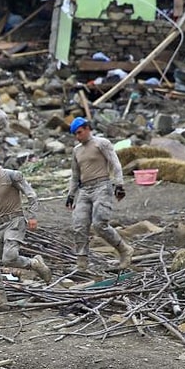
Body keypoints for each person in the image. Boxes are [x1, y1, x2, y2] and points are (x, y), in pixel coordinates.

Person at [0, 149, 52, 310]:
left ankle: (35, 264)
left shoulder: (11, 175)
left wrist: (32, 216)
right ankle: (0, 300)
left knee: (9, 257)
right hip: (0, 225)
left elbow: (31, 195)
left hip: (15, 221)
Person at [65, 117, 133, 273]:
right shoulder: (76, 150)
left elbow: (115, 163)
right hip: (84, 190)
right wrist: (71, 195)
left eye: (80, 132)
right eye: (75, 134)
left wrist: (119, 184)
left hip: (102, 186)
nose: (78, 136)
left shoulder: (102, 143)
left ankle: (124, 250)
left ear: (88, 128)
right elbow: (75, 175)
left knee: (99, 224)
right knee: (79, 225)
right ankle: (82, 263)